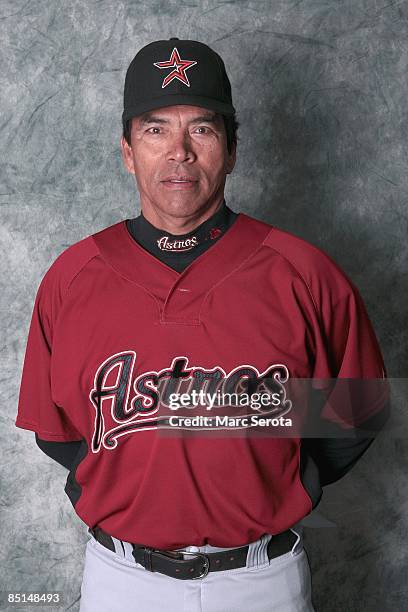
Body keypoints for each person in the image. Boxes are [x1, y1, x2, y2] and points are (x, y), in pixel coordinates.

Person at [15, 38, 390, 612]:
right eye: (156, 129)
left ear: (233, 150)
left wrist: (285, 477)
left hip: (263, 581)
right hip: (121, 579)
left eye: (204, 130)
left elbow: (355, 415)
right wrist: (131, 479)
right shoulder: (73, 276)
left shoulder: (303, 272)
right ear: (126, 150)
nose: (180, 152)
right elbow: (56, 429)